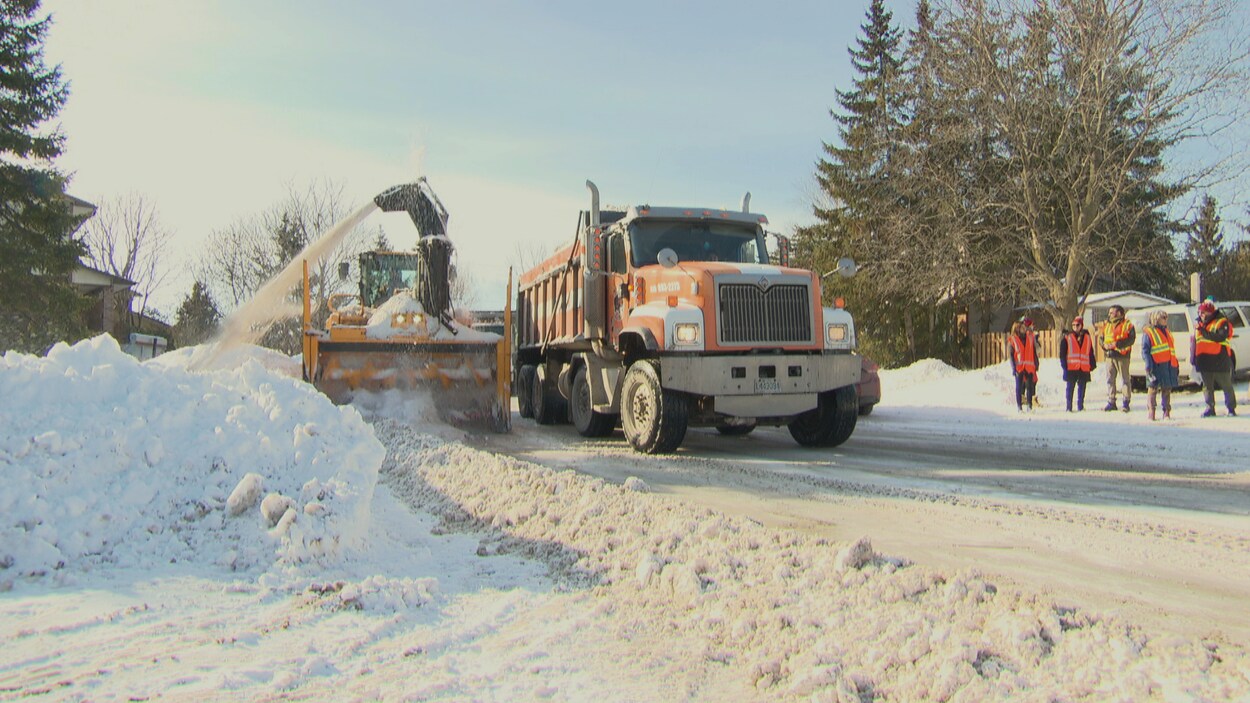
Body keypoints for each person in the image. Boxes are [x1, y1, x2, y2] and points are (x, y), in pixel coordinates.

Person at [1192, 300, 1237, 417]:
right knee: (1207, 387)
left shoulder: (1222, 322)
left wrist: (1203, 331)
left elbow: (1220, 337)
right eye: (1200, 312)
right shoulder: (1199, 325)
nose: (1201, 315)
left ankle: (1231, 409)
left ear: (1210, 313)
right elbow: (1195, 343)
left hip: (1219, 360)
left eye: (1203, 313)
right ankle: (1210, 408)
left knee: (1226, 386)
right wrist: (1194, 359)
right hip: (1204, 361)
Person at [1141, 309, 1179, 421]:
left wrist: (1175, 364)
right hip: (1155, 365)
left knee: (1167, 389)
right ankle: (1151, 412)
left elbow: (1171, 349)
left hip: (1167, 365)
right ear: (1156, 319)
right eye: (1163, 317)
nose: (1166, 319)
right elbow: (1145, 351)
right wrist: (1148, 365)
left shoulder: (1167, 331)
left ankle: (1166, 412)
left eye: (1166, 317)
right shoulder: (1149, 333)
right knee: (1152, 389)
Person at [1100, 305, 1136, 412]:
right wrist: (1104, 346)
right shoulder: (1107, 324)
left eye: (1112, 312)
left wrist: (1117, 344)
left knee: (1125, 380)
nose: (1109, 314)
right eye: (1109, 312)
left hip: (1122, 356)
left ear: (1119, 313)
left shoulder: (1127, 324)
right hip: (1109, 356)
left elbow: (1131, 339)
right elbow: (1101, 338)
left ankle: (1126, 402)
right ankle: (1111, 401)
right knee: (1110, 380)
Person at [1059, 316, 1096, 412]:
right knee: (1070, 388)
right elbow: (1062, 353)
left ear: (1081, 325)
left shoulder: (1087, 337)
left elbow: (1090, 351)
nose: (1075, 327)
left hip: (1083, 367)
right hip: (1071, 367)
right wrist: (1064, 365)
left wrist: (1092, 364)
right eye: (1073, 325)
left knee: (1082, 388)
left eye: (1077, 325)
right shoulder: (1067, 337)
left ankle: (1080, 405)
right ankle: (1069, 407)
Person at [1007, 320, 1039, 411]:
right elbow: (1011, 355)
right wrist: (1013, 367)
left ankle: (1029, 406)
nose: (1024, 329)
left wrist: (1036, 363)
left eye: (1024, 327)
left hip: (1029, 366)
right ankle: (1019, 406)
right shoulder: (1013, 340)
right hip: (1019, 367)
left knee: (1030, 386)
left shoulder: (1030, 337)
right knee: (1019, 387)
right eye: (1021, 328)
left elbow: (1034, 351)